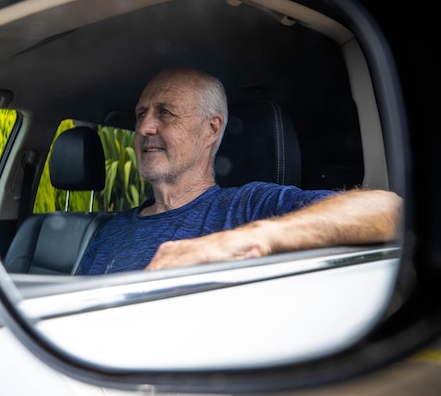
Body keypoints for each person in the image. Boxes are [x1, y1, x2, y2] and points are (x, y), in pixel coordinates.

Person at [76, 67, 402, 275]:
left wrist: (250, 239)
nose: (145, 126)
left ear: (211, 130)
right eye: (141, 114)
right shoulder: (111, 231)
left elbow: (391, 211)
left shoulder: (249, 206)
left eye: (166, 113)